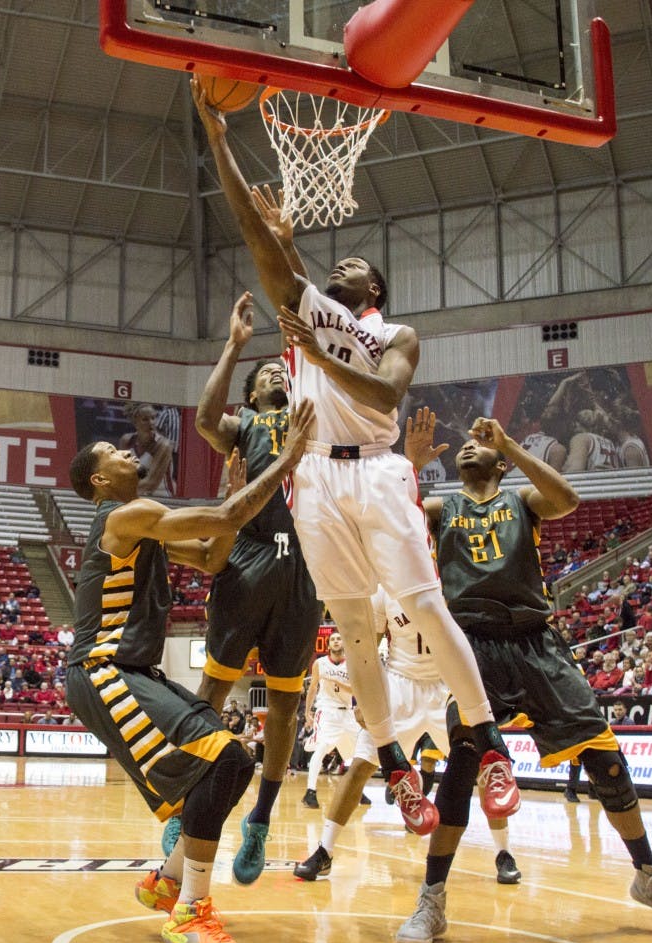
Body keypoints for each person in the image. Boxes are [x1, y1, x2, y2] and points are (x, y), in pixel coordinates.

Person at [191, 80, 519, 835]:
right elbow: (261, 248)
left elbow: (379, 397)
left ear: (373, 288)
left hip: (374, 466)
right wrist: (216, 140)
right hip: (316, 478)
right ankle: (395, 769)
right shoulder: (309, 316)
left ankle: (490, 742)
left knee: (425, 605)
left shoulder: (395, 333)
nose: (342, 265)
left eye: (355, 263)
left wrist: (318, 354)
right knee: (352, 632)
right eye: (329, 262)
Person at [394, 412, 652, 943]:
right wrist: (410, 467)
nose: (466, 449)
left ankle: (649, 877)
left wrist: (508, 440)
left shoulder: (521, 502)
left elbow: (568, 499)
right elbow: (394, 521)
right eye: (461, 447)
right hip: (473, 648)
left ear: (501, 462)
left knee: (607, 762)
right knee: (462, 769)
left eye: (478, 445)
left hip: (536, 641)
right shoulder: (443, 508)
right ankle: (432, 900)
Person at [66, 397, 314, 943]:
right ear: (102, 479)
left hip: (129, 672)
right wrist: (286, 461)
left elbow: (211, 555)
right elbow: (227, 521)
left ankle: (169, 880)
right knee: (221, 761)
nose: (129, 449)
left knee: (235, 762)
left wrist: (236, 494)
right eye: (114, 451)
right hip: (103, 672)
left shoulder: (142, 525)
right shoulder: (121, 516)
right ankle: (190, 913)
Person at [163, 291, 323, 886]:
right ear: (253, 394)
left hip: (305, 566)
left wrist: (310, 345)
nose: (277, 373)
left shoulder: (313, 412)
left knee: (284, 704)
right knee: (212, 689)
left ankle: (260, 817)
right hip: (250, 557)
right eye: (266, 374)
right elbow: (205, 419)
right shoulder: (246, 425)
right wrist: (234, 347)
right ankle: (188, 800)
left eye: (280, 368)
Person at [294, 585, 520, 886]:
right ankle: (324, 850)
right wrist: (362, 698)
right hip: (399, 684)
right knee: (361, 764)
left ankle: (504, 852)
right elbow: (367, 650)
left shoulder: (452, 576)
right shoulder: (382, 587)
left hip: (447, 681)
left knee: (483, 768)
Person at [300, 630, 361, 809]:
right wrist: (307, 712)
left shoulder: (351, 664)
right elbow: (312, 688)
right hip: (327, 711)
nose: (336, 641)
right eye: (332, 639)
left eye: (339, 638)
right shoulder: (320, 663)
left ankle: (358, 789)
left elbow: (355, 691)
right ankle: (310, 792)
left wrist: (336, 682)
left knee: (360, 751)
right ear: (328, 645)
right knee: (322, 748)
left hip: (348, 712)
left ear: (343, 643)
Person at [118, 402, 175, 497]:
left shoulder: (164, 445)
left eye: (153, 418)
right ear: (135, 423)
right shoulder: (126, 441)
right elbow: (121, 474)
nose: (151, 423)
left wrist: (119, 492)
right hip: (134, 496)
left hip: (163, 498)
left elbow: (151, 483)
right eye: (145, 419)